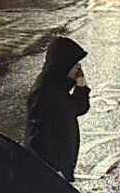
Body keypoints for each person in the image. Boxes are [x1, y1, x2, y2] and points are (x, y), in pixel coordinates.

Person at [27, 36, 91, 181]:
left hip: (61, 168)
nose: (78, 69)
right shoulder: (44, 92)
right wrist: (54, 170)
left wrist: (81, 85)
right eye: (75, 65)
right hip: (50, 174)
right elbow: (37, 136)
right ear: (64, 64)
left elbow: (79, 108)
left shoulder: (60, 86)